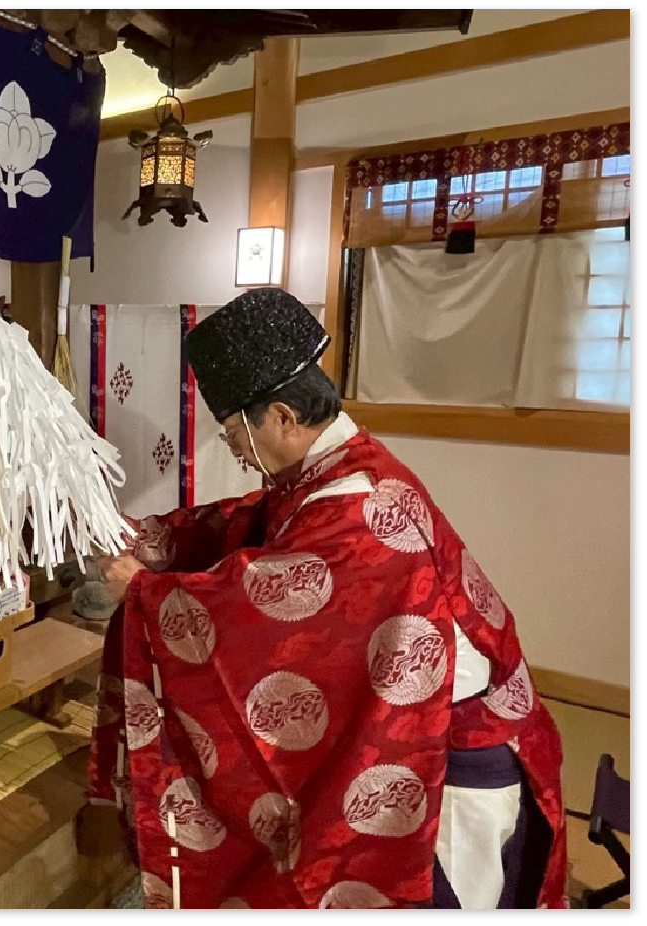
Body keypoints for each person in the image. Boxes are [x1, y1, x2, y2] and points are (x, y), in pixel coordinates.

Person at [88, 288, 566, 910]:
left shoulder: (361, 508)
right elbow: (243, 522)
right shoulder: (334, 468)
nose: (235, 451)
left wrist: (145, 592)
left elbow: (255, 608)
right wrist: (141, 537)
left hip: (446, 762)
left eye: (234, 433)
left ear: (283, 417)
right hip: (432, 733)